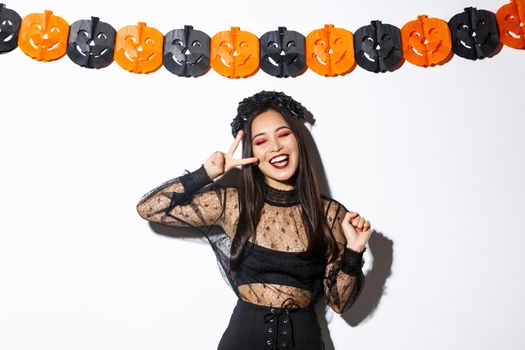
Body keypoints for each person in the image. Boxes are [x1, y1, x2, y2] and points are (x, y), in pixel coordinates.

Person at [136, 91, 372, 350]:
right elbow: (150, 209)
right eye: (261, 141)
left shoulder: (330, 214)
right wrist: (206, 174)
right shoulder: (234, 203)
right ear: (252, 153)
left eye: (283, 135)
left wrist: (354, 249)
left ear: (298, 140)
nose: (275, 147)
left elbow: (340, 304)